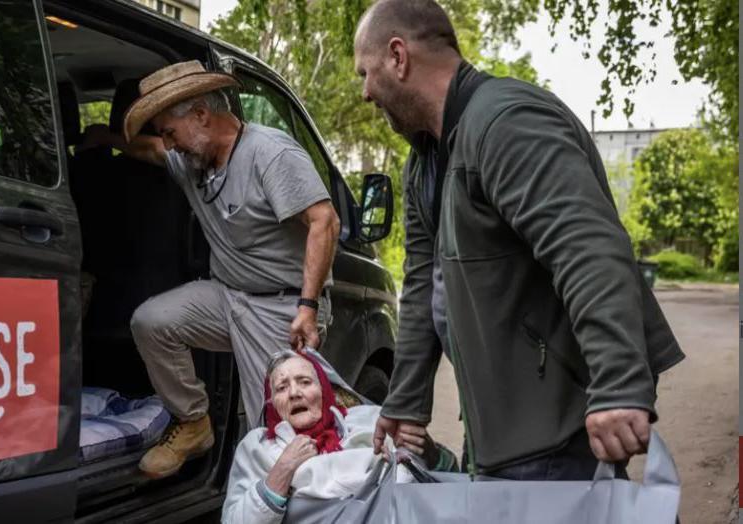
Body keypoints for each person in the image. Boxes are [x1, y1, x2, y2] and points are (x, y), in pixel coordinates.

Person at [354, 0, 685, 480]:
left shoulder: (507, 123)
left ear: (398, 57)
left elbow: (587, 249)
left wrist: (617, 385)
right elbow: (424, 283)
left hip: (557, 425)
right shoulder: (425, 161)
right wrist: (405, 399)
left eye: (365, 72)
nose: (365, 92)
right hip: (499, 425)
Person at [81, 60, 340, 479]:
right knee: (152, 321)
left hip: (282, 308)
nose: (169, 143)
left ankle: (291, 502)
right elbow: (149, 150)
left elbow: (325, 221)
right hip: (228, 297)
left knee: (277, 430)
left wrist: (307, 306)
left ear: (201, 115)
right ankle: (194, 422)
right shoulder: (192, 158)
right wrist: (105, 138)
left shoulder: (269, 153)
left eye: (170, 131)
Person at [221, 351, 456, 524]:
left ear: (324, 390)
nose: (294, 393)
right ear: (272, 404)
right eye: (281, 388)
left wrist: (417, 454)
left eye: (305, 382)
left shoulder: (369, 422)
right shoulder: (257, 448)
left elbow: (443, 473)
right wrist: (282, 470)